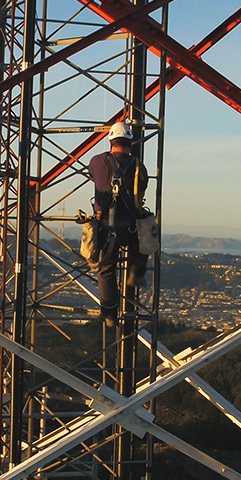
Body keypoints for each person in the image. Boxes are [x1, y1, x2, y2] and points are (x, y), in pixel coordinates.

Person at [88, 122, 149, 329]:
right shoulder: (138, 166)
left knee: (105, 269)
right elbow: (142, 187)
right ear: (130, 142)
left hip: (104, 227)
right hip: (131, 226)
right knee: (144, 243)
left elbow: (92, 175)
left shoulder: (97, 161)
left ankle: (109, 313)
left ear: (110, 141)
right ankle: (136, 272)